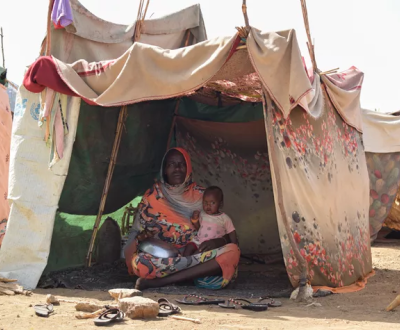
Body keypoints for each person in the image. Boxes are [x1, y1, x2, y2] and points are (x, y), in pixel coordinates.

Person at [123, 148, 240, 290]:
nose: (177, 168)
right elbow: (136, 234)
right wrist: (141, 238)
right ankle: (193, 274)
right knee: (140, 263)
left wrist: (219, 241)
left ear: (188, 168)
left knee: (232, 251)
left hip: (198, 255)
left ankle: (161, 281)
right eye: (171, 164)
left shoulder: (203, 197)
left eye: (182, 164)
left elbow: (223, 229)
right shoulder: (152, 196)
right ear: (164, 169)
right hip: (166, 259)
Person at [183, 186, 237, 256]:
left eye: (212, 203)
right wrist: (195, 220)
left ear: (220, 204)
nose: (208, 206)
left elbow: (231, 232)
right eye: (205, 203)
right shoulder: (202, 214)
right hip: (198, 241)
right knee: (189, 247)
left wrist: (234, 244)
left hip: (212, 246)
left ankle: (192, 262)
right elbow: (199, 228)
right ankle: (184, 260)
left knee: (200, 253)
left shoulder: (224, 218)